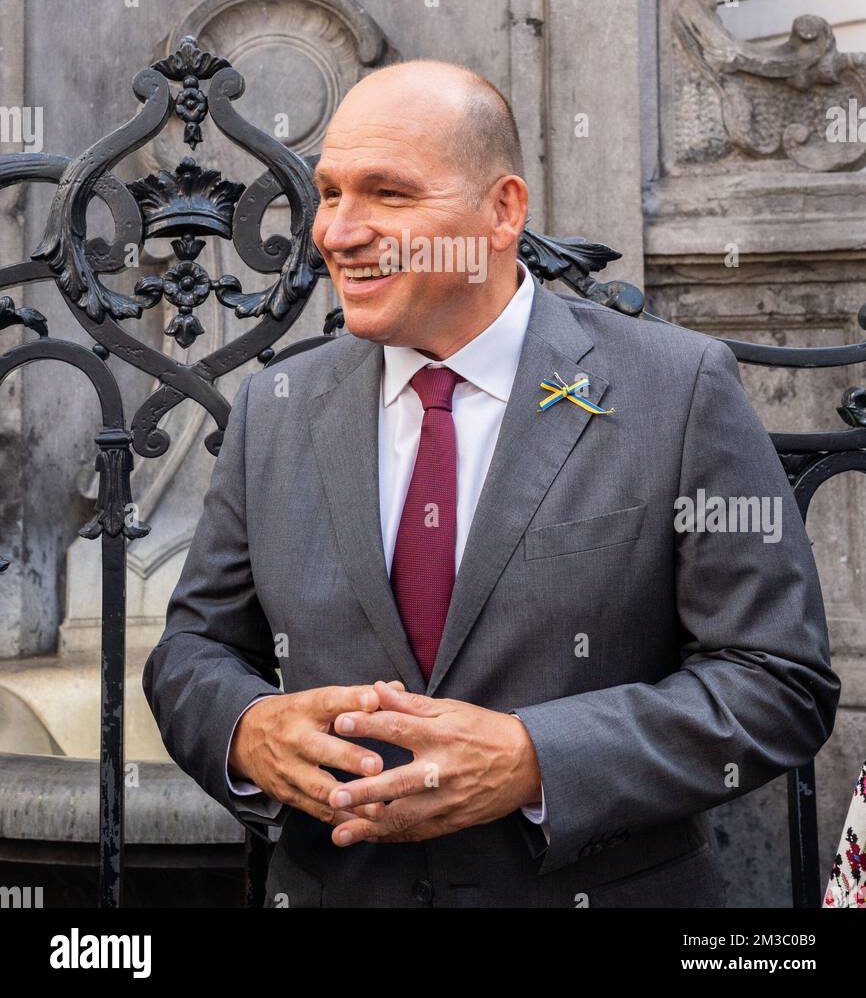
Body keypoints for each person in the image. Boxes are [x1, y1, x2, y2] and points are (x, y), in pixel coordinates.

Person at [143, 60, 840, 908]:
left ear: (502, 211)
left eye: (388, 195)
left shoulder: (675, 387)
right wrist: (249, 730)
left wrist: (536, 760)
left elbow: (778, 683)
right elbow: (192, 653)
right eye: (329, 192)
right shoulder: (278, 406)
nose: (337, 231)